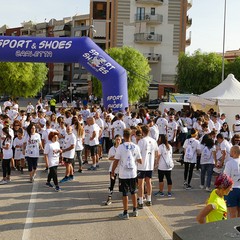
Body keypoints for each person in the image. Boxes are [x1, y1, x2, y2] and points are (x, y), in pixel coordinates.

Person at [111, 129, 142, 220]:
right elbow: (140, 161)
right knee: (133, 191)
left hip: (123, 173)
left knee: (125, 193)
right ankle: (135, 210)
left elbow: (116, 161)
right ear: (131, 136)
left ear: (123, 136)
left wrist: (113, 171)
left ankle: (125, 212)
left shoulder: (121, 147)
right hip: (133, 173)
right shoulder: (136, 146)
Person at [137, 125, 158, 208]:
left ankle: (141, 201)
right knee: (149, 182)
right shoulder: (153, 141)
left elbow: (138, 153)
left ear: (142, 132)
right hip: (150, 165)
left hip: (142, 165)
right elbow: (157, 153)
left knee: (140, 184)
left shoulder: (141, 141)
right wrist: (155, 162)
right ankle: (149, 200)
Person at [103, 134, 122, 206]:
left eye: (119, 139)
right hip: (113, 168)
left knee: (122, 184)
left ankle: (124, 195)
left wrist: (116, 157)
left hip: (121, 168)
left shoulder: (122, 148)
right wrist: (115, 158)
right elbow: (109, 158)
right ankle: (109, 197)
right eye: (116, 139)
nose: (117, 141)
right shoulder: (112, 149)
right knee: (112, 183)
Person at [224, 145, 240, 218]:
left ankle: (232, 229)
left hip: (232, 189)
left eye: (230, 151)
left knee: (232, 214)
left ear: (234, 152)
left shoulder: (229, 163)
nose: (229, 152)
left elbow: (226, 178)